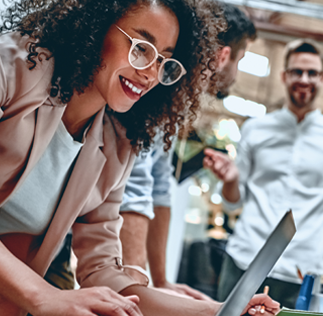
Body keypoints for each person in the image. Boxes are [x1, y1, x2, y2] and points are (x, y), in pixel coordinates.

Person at [0, 0, 279, 315]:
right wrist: (46, 296)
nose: (150, 72)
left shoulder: (115, 144)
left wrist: (222, 310)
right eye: (141, 48)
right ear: (97, 24)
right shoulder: (4, 65)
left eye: (166, 62)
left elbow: (103, 272)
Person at [100, 1, 258, 300]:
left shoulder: (178, 102)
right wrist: (138, 289)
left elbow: (160, 186)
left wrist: (160, 281)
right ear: (224, 56)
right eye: (241, 59)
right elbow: (136, 184)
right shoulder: (157, 87)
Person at [204, 39, 323, 308]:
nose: (304, 79)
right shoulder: (255, 129)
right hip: (246, 259)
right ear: (284, 76)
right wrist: (232, 180)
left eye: (312, 73)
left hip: (302, 269)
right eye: (296, 72)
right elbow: (232, 200)